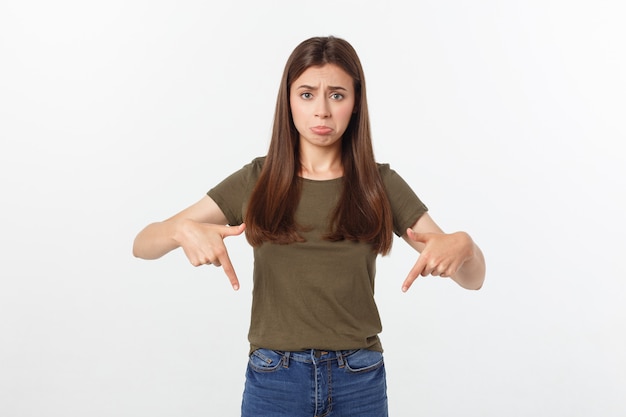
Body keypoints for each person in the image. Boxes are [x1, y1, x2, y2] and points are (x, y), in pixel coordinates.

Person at [133, 35, 485, 417]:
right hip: (275, 380)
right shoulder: (258, 179)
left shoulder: (378, 184)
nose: (321, 111)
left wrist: (463, 245)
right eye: (306, 94)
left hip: (359, 379)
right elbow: (142, 244)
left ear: (355, 103)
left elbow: (473, 278)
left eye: (336, 95)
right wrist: (179, 230)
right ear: (288, 100)